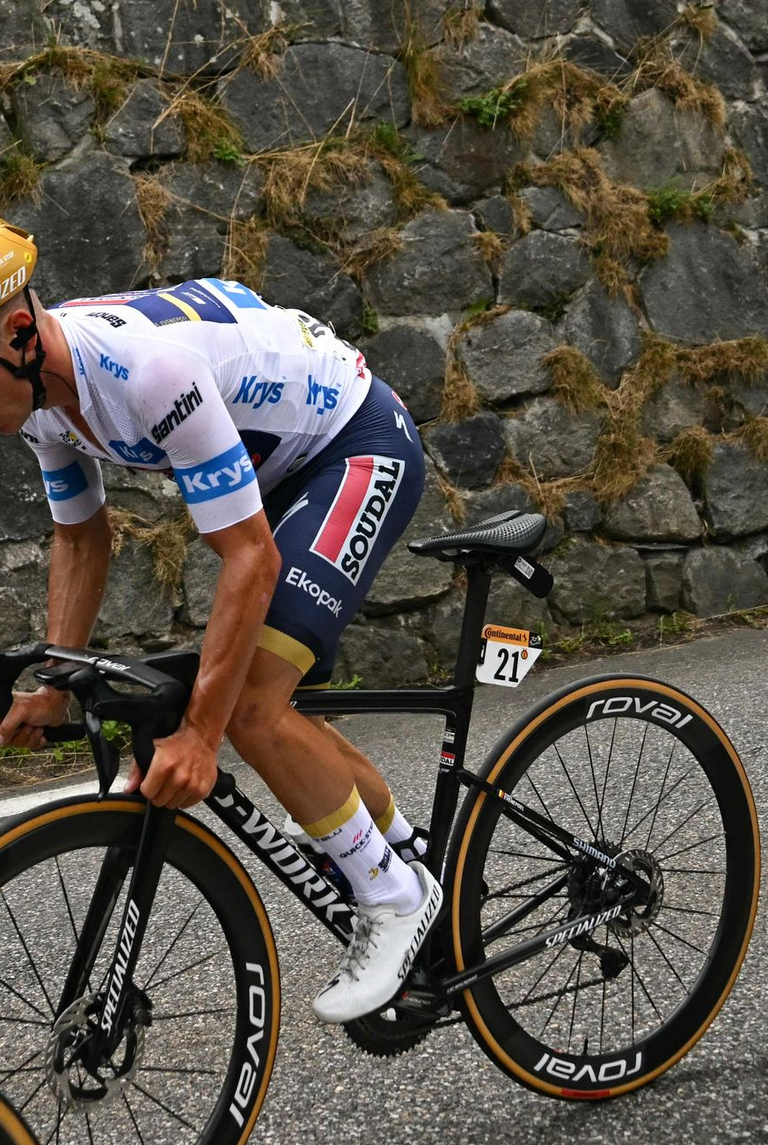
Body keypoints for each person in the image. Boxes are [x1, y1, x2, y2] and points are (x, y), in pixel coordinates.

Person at [0, 222, 441, 1023]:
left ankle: (394, 894)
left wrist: (200, 737)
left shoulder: (146, 375)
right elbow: (79, 536)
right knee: (257, 694)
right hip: (285, 467)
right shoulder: (40, 402)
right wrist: (55, 687)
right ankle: (403, 852)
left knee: (246, 704)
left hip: (355, 443)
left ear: (19, 334)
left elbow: (251, 560)